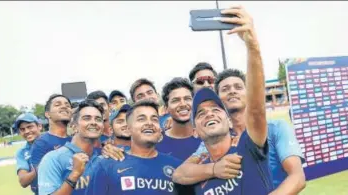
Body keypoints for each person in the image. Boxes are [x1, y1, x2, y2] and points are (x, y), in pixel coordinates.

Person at [173, 6, 305, 195]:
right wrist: (213, 169)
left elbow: (298, 178)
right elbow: (180, 174)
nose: (232, 92)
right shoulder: (212, 139)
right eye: (225, 89)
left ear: (249, 91)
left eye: (238, 87)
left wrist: (252, 46)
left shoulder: (272, 129)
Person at [85, 100, 193, 195]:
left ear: (160, 128)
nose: (149, 123)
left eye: (154, 119)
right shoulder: (106, 166)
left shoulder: (177, 167)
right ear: (128, 128)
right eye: (142, 119)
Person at [37, 100, 104, 195]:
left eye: (98, 119)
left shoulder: (103, 157)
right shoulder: (53, 159)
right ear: (74, 126)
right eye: (86, 118)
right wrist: (74, 175)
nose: (94, 122)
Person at [30, 94, 73, 194]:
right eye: (57, 104)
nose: (64, 106)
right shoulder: (41, 143)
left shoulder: (75, 140)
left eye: (67, 105)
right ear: (47, 114)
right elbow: (43, 179)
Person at [155, 77, 201, 161]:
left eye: (187, 99)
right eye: (175, 100)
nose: (183, 104)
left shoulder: (206, 137)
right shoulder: (156, 143)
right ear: (166, 108)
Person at [14, 113, 42, 190]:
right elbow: (23, 181)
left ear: (39, 126)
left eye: (30, 127)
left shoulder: (51, 142)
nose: (26, 131)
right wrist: (38, 169)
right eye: (22, 129)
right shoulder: (21, 153)